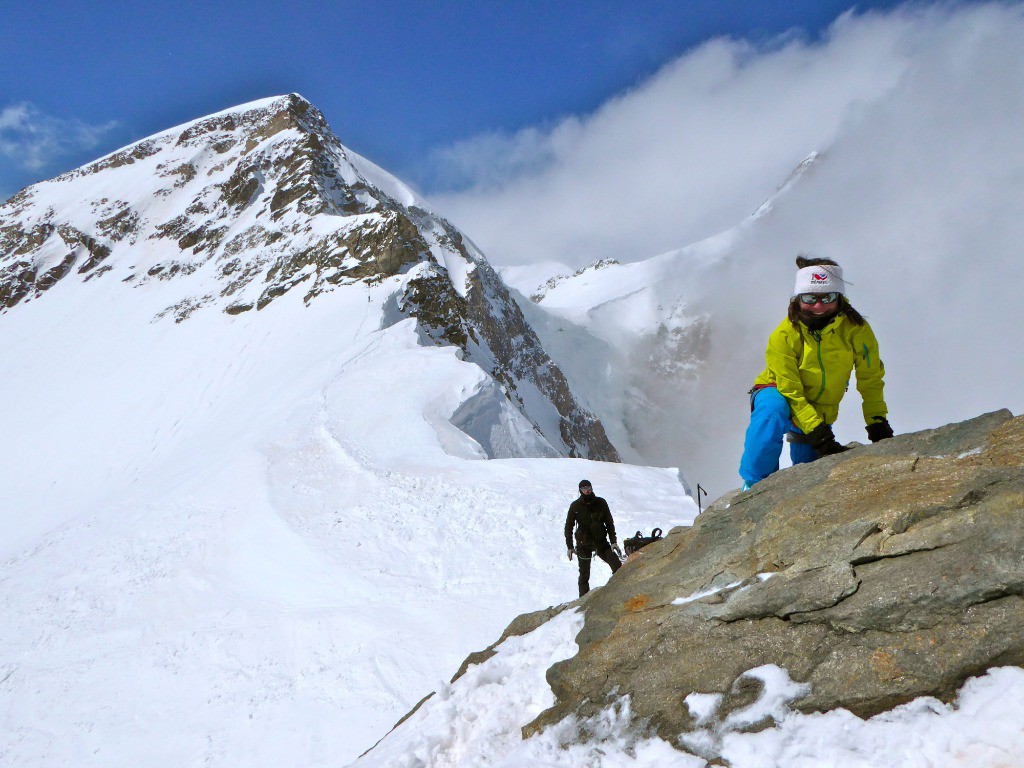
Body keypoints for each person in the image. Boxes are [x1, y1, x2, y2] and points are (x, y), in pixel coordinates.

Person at [739, 255, 893, 490]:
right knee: (772, 410)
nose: (818, 306)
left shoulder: (856, 330)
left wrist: (877, 421)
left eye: (827, 297)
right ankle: (755, 485)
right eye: (810, 298)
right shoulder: (785, 335)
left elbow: (870, 378)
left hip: (820, 407)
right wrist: (816, 432)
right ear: (798, 297)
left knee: (811, 478)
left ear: (839, 297)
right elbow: (789, 388)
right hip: (780, 393)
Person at [565, 479, 622, 597]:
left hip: (601, 543)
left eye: (588, 488)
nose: (586, 490)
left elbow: (609, 522)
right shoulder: (575, 506)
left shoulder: (601, 502)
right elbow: (569, 527)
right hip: (583, 545)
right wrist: (570, 546)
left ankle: (620, 592)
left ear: (592, 488)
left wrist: (613, 541)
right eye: (584, 488)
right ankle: (583, 602)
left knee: (617, 566)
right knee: (584, 576)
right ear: (580, 490)